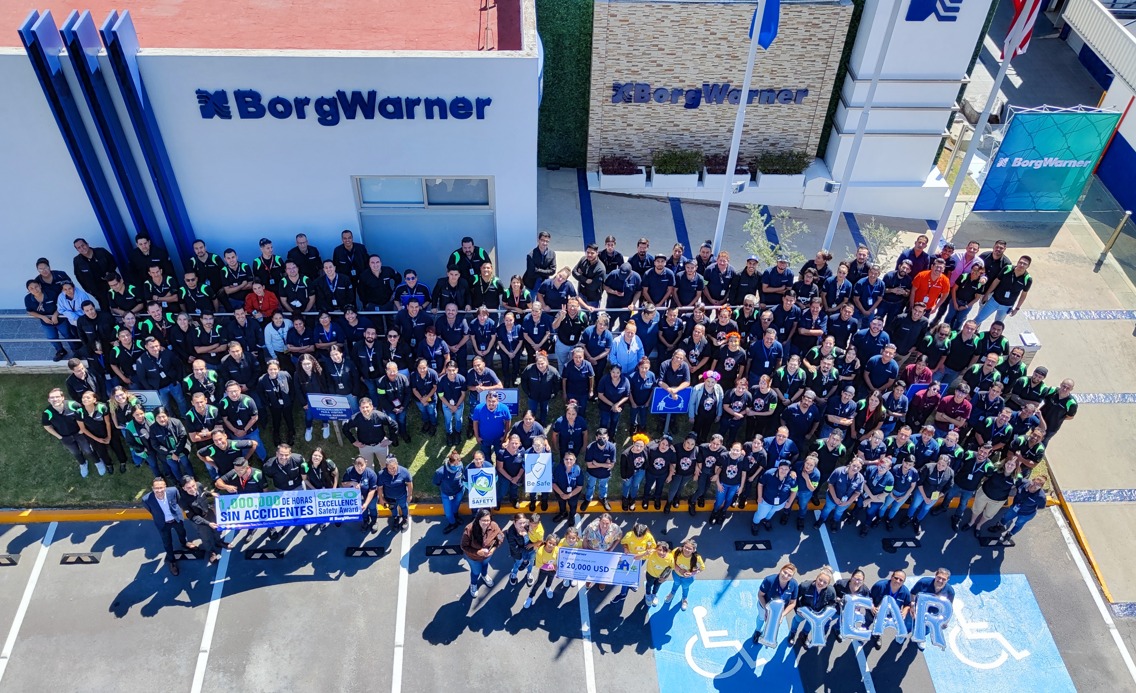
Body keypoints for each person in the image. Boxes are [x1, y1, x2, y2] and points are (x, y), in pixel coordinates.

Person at [960, 456, 1021, 540]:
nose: (1009, 466)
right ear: (1004, 463)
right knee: (976, 509)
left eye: (1012, 465)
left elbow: (1018, 487)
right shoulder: (995, 469)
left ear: (1016, 467)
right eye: (1008, 463)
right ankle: (971, 522)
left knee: (988, 515)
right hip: (984, 493)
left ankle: (979, 526)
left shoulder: (1017, 478)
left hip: (998, 501)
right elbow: (985, 477)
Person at [42, 388, 99, 477]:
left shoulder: (73, 405)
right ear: (49, 400)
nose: (55, 399)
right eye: (52, 398)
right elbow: (47, 426)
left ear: (62, 398)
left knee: (88, 450)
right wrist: (59, 437)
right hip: (65, 437)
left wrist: (82, 430)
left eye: (57, 397)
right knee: (75, 452)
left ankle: (97, 461)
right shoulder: (47, 412)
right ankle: (83, 464)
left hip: (79, 433)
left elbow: (83, 416)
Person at [142, 477, 189, 575]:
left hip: (176, 519)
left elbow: (178, 501)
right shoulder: (146, 499)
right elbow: (150, 510)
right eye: (156, 488)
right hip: (162, 523)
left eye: (161, 487)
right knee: (167, 542)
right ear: (152, 488)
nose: (159, 490)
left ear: (165, 487)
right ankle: (172, 561)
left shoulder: (173, 491)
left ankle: (185, 543)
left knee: (182, 532)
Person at [178, 476, 229, 565]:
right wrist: (208, 523)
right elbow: (192, 516)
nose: (193, 489)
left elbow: (204, 492)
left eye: (193, 486)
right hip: (199, 521)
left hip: (209, 513)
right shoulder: (182, 500)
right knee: (206, 538)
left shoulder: (199, 485)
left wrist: (211, 494)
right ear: (184, 488)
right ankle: (211, 552)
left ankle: (219, 542)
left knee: (217, 530)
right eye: (189, 488)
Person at [787, 567, 838, 647]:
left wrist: (826, 613)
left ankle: (804, 635)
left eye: (825, 582)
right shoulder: (805, 586)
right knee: (796, 621)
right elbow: (795, 597)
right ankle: (792, 633)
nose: (821, 583)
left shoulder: (831, 591)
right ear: (816, 578)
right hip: (804, 611)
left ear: (828, 584)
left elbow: (833, 603)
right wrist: (798, 609)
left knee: (810, 625)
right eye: (820, 580)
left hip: (817, 614)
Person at [976, 255, 1032, 325]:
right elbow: (996, 281)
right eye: (1020, 262)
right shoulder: (1007, 269)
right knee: (978, 319)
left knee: (998, 325)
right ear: (1017, 262)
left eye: (1025, 264)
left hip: (1007, 306)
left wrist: (1017, 308)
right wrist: (986, 294)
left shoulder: (1027, 279)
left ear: (1028, 266)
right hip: (994, 301)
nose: (1021, 265)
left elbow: (1024, 294)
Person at [865, 569, 913, 650]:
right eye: (896, 578)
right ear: (891, 577)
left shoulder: (905, 592)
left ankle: (877, 636)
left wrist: (904, 612)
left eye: (901, 580)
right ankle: (863, 631)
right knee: (867, 622)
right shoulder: (880, 586)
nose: (898, 581)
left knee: (879, 627)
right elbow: (868, 597)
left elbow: (907, 604)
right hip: (873, 612)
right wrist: (872, 607)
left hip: (888, 616)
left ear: (903, 582)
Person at [752, 563, 799, 643]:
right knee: (762, 618)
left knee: (774, 625)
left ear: (791, 577)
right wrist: (766, 609)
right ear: (780, 571)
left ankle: (767, 636)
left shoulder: (794, 584)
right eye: (785, 572)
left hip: (779, 611)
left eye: (789, 575)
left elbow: (793, 603)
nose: (786, 576)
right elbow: (760, 595)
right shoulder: (769, 580)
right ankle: (757, 631)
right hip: (765, 605)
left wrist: (782, 615)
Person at [815, 458, 865, 531]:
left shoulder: (860, 478)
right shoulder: (838, 471)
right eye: (854, 465)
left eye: (858, 467)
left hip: (846, 501)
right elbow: (830, 484)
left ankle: (835, 521)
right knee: (827, 509)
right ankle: (821, 519)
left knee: (839, 512)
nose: (855, 468)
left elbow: (857, 492)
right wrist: (835, 498)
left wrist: (848, 502)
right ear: (850, 463)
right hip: (832, 498)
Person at [996, 475, 1048, 544]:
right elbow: (1015, 484)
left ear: (1041, 487)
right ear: (1031, 481)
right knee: (1006, 517)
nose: (1035, 486)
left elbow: (1041, 506)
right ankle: (999, 526)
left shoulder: (1041, 497)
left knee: (1018, 524)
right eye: (1034, 483)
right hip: (1014, 507)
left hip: (1026, 514)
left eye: (1038, 485)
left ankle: (1009, 535)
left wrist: (1028, 508)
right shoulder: (1023, 483)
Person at [751, 459, 798, 533]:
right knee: (760, 514)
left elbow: (794, 491)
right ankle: (755, 524)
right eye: (782, 468)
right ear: (778, 467)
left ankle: (766, 521)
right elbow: (760, 484)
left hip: (780, 503)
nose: (783, 471)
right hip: (766, 501)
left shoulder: (792, 478)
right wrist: (759, 497)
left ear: (789, 469)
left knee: (772, 512)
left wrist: (789, 502)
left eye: (786, 469)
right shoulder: (769, 474)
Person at [613, 522, 656, 603]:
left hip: (641, 559)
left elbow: (651, 547)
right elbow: (624, 542)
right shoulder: (629, 535)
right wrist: (625, 548)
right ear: (633, 532)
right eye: (636, 536)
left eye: (641, 537)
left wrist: (645, 552)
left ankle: (632, 584)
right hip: (630, 558)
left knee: (635, 572)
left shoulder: (649, 537)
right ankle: (623, 593)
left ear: (645, 533)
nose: (638, 538)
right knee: (626, 576)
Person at [148, 407, 194, 480]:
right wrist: (170, 453)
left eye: (163, 416)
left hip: (181, 449)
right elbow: (155, 445)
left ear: (167, 415)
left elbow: (183, 437)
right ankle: (180, 482)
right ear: (155, 418)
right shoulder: (153, 428)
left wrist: (176, 453)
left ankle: (193, 478)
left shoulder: (177, 422)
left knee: (186, 464)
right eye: (158, 417)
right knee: (174, 467)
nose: (162, 419)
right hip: (166, 453)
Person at [581, 513, 622, 591]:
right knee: (590, 569)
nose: (604, 525)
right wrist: (585, 552)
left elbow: (619, 536)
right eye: (603, 523)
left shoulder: (615, 528)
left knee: (604, 570)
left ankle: (602, 582)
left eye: (607, 523)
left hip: (606, 552)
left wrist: (612, 548)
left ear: (611, 522)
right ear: (599, 521)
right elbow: (585, 539)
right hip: (593, 551)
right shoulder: (591, 527)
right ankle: (589, 581)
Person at [340, 456, 379, 532]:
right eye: (358, 467)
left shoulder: (371, 474)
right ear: (354, 465)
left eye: (362, 466)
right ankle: (365, 521)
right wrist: (351, 483)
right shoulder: (349, 471)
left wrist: (366, 503)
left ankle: (374, 521)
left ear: (366, 463)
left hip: (370, 497)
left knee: (372, 508)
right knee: (362, 511)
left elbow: (372, 490)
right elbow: (343, 484)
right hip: (357, 498)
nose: (360, 469)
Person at [523, 532, 562, 609]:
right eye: (550, 542)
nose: (551, 545)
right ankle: (530, 597)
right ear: (546, 541)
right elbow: (539, 565)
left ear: (556, 545)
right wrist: (552, 566)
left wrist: (557, 568)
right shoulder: (540, 551)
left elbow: (560, 557)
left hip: (553, 570)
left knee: (550, 580)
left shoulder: (557, 550)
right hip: (544, 570)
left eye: (554, 544)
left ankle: (547, 588)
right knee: (538, 583)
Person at [472, 391, 512, 461]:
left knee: (500, 457)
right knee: (486, 458)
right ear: (486, 400)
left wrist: (505, 436)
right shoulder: (478, 409)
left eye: (493, 401)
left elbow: (508, 421)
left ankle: (498, 470)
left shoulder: (504, 408)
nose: (491, 403)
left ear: (497, 401)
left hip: (499, 439)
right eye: (489, 401)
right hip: (484, 439)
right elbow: (475, 423)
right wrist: (477, 437)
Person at [665, 540, 704, 611]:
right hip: (676, 574)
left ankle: (684, 598)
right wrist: (679, 569)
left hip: (688, 578)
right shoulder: (677, 551)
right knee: (676, 583)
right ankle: (672, 593)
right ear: (683, 546)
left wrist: (692, 574)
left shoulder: (697, 558)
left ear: (694, 550)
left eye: (690, 549)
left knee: (685, 588)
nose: (687, 550)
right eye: (686, 547)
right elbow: (670, 560)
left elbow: (701, 568)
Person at [584, 428, 617, 511]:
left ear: (608, 438)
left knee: (603, 486)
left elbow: (611, 465)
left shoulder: (612, 447)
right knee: (590, 486)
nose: (602, 440)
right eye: (600, 438)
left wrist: (597, 464)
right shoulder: (590, 447)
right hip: (592, 473)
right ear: (596, 438)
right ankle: (588, 499)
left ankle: (603, 498)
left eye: (604, 438)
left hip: (605, 474)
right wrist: (605, 464)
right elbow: (589, 465)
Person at [377, 456, 414, 531]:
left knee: (404, 507)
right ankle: (396, 518)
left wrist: (410, 495)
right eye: (390, 468)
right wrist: (381, 499)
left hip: (402, 496)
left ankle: (405, 519)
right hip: (389, 497)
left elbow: (410, 484)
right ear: (386, 467)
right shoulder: (381, 474)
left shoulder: (404, 471)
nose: (392, 470)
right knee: (392, 508)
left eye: (394, 467)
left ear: (397, 464)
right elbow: (380, 488)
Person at [434, 450, 466, 533]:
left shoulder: (460, 465)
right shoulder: (440, 472)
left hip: (459, 491)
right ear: (449, 462)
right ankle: (453, 523)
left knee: (456, 505)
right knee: (448, 513)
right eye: (454, 464)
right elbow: (437, 482)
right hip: (447, 494)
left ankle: (456, 515)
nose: (457, 466)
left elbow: (462, 474)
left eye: (458, 463)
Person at [505, 512, 540, 586]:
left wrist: (534, 544)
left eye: (524, 522)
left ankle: (529, 573)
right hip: (519, 553)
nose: (522, 525)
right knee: (518, 564)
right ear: (514, 522)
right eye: (520, 523)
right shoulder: (511, 532)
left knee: (531, 562)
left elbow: (539, 528)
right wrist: (529, 549)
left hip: (531, 549)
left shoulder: (529, 525)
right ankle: (514, 574)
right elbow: (514, 547)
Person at [619, 434, 650, 511]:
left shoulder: (646, 450)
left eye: (641, 446)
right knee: (627, 484)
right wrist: (623, 476)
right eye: (637, 445)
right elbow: (622, 466)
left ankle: (632, 499)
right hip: (629, 472)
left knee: (635, 485)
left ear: (644, 446)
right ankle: (625, 499)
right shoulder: (625, 454)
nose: (639, 448)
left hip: (640, 471)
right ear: (633, 443)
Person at [551, 452, 584, 522]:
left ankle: (571, 516)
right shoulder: (558, 469)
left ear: (574, 460)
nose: (568, 461)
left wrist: (569, 495)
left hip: (573, 493)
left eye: (571, 459)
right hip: (560, 492)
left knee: (573, 505)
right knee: (561, 503)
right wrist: (562, 494)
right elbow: (553, 483)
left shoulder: (578, 470)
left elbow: (579, 487)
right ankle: (563, 513)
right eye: (566, 459)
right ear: (563, 460)